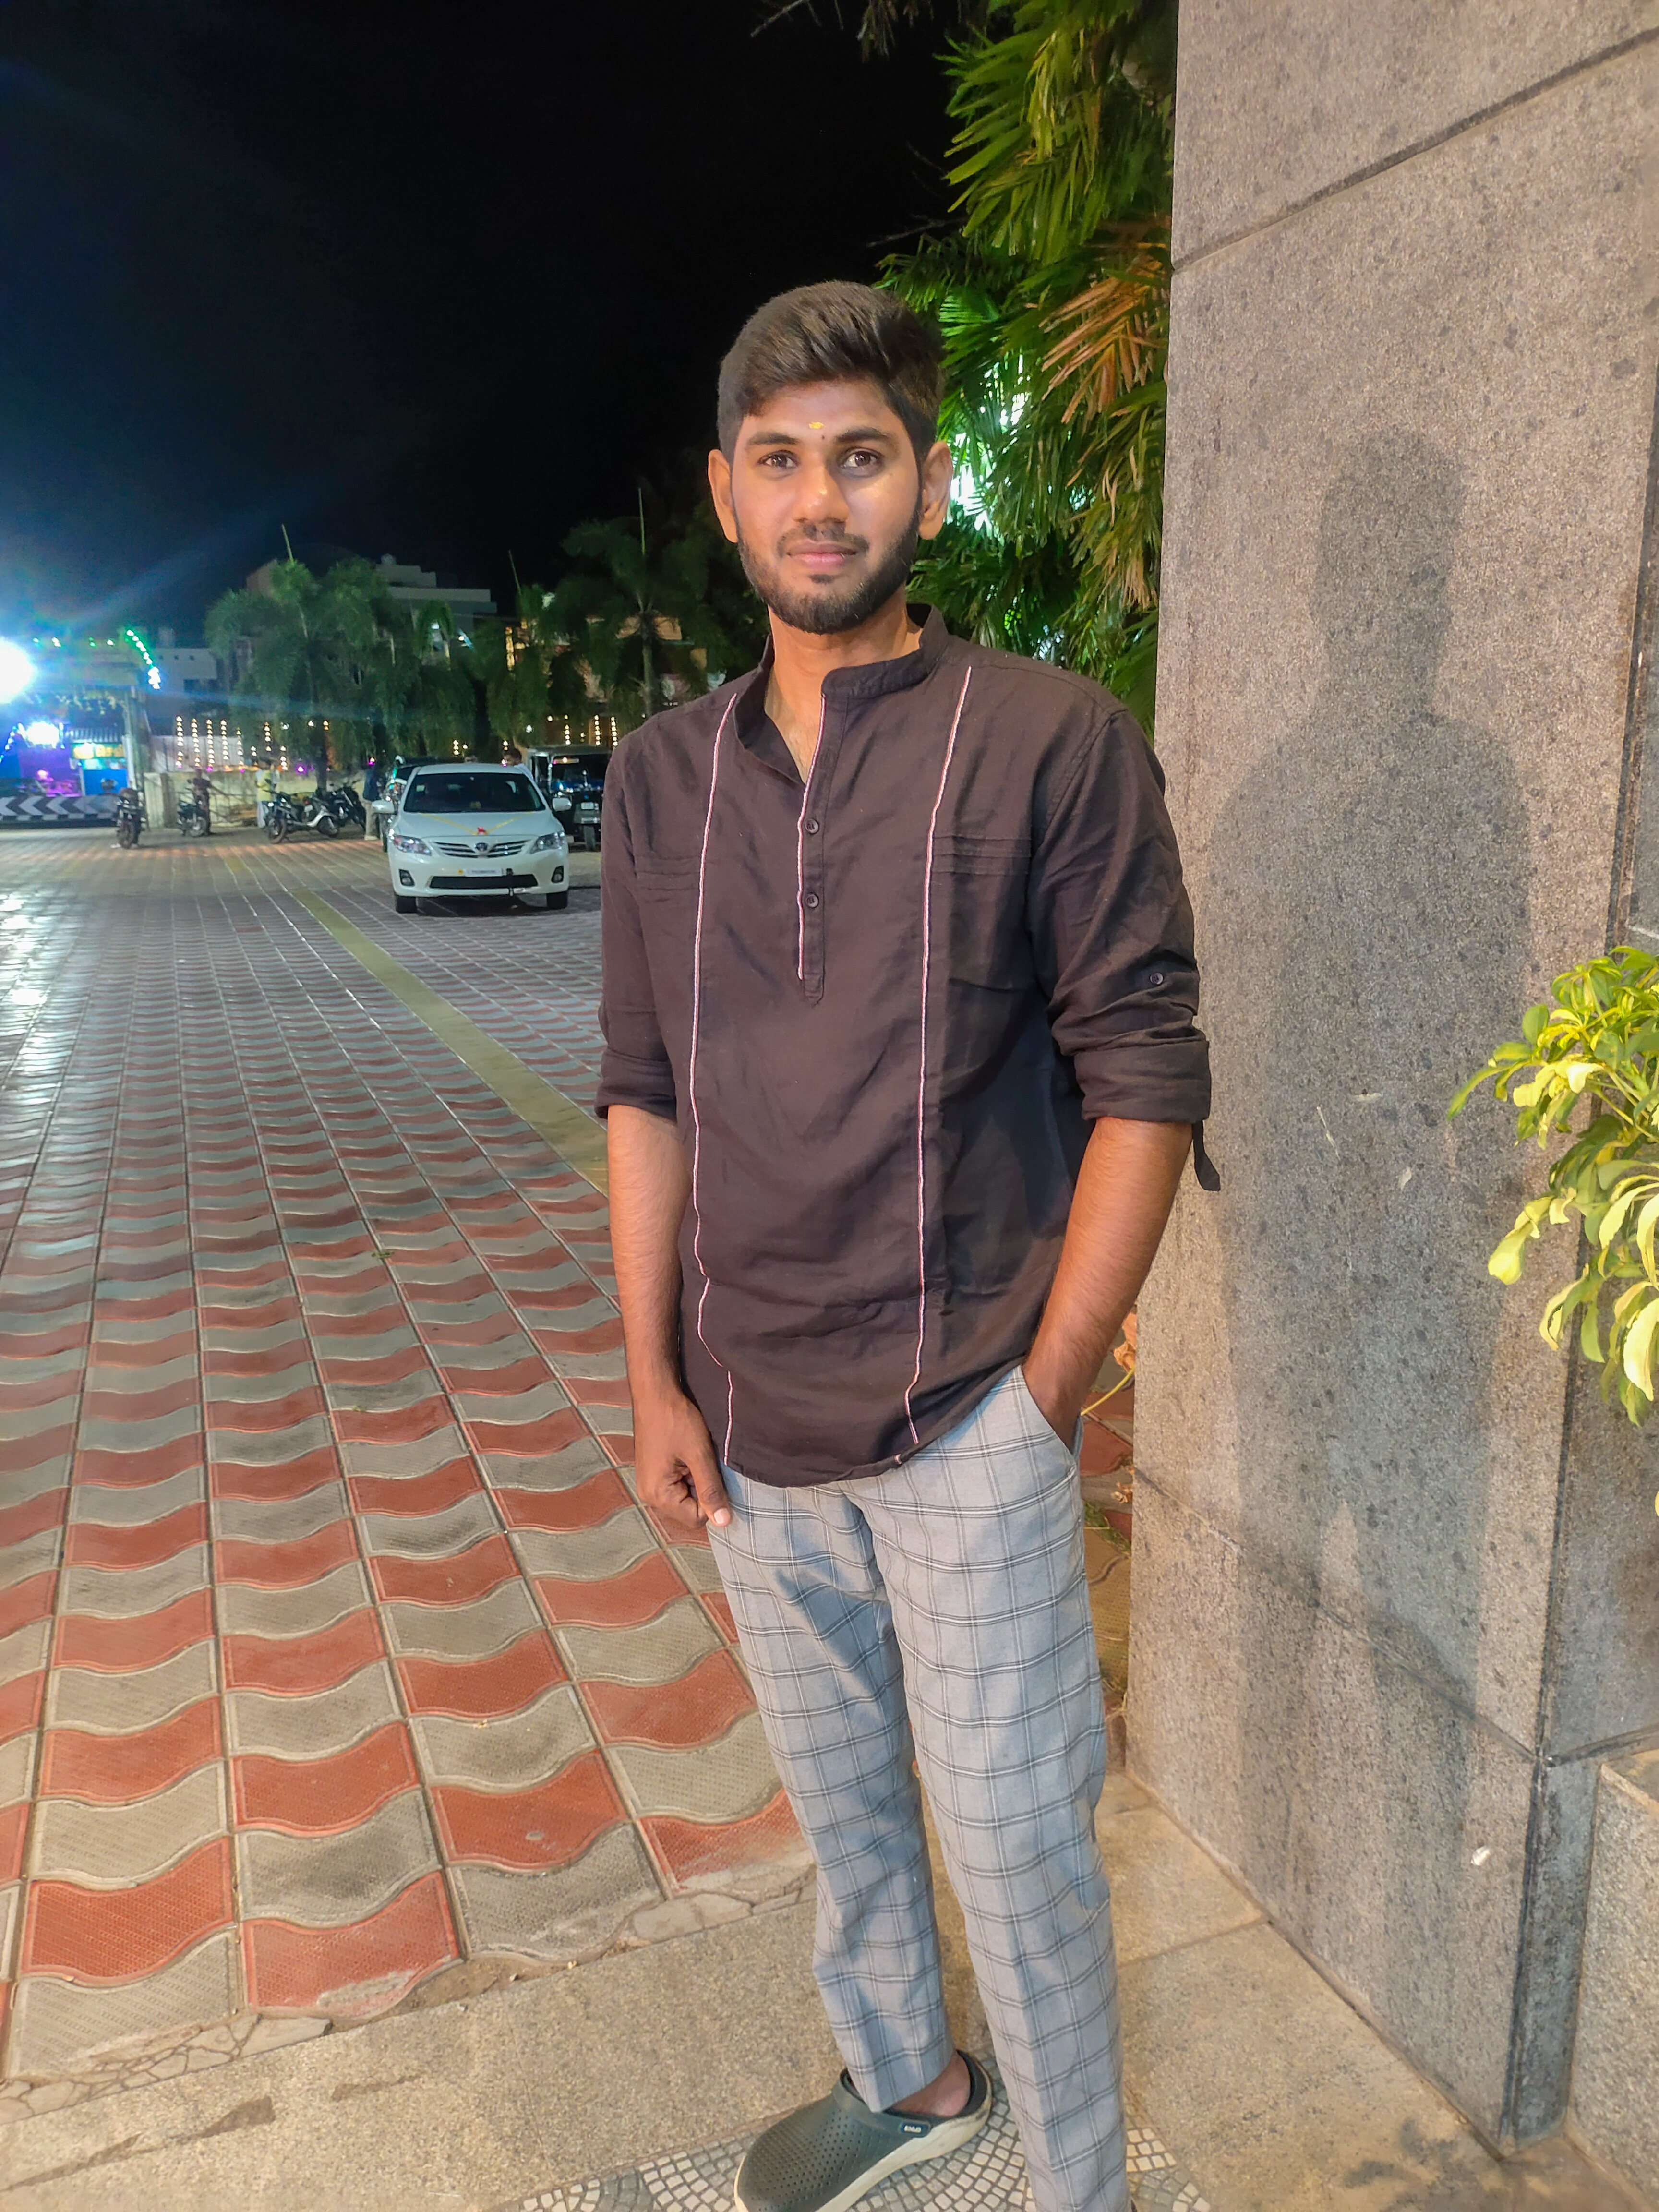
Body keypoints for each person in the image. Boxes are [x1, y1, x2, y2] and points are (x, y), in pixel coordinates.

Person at [597, 282, 1210, 2212]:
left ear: (926, 486)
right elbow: (644, 1089)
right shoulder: (661, 778)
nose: (819, 499)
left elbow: (1147, 1076)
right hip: (752, 1421)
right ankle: (910, 2085)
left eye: (860, 457)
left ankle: (1076, 2183)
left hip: (965, 1418)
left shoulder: (1048, 739)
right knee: (846, 1813)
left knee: (1019, 1843)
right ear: (724, 494)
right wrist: (654, 1375)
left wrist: (1048, 1396)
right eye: (779, 461)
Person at [191, 765, 214, 835]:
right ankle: (202, 829)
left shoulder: (204, 781)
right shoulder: (196, 781)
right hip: (199, 799)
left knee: (206, 813)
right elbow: (195, 789)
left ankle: (207, 830)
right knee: (200, 813)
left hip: (204, 799)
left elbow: (212, 787)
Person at [253, 763, 275, 827]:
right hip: (269, 795)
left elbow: (260, 784)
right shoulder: (272, 774)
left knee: (263, 811)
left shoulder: (266, 774)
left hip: (263, 796)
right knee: (268, 810)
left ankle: (264, 824)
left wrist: (257, 784)